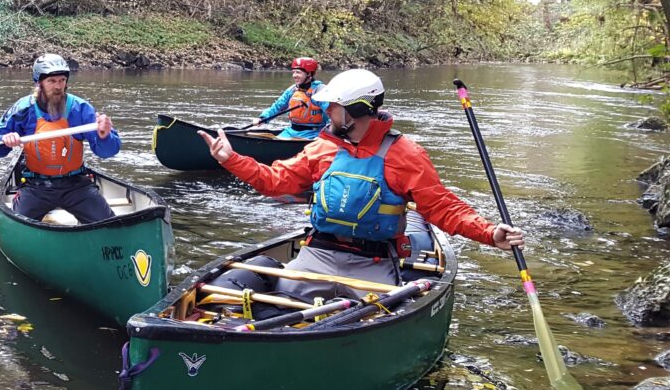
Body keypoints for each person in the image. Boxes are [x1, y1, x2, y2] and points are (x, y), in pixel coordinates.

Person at [200, 68, 525, 298]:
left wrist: (489, 233)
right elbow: (275, 181)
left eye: (333, 107)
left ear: (356, 111)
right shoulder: (322, 148)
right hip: (318, 253)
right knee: (276, 308)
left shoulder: (406, 155)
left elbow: (442, 208)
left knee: (379, 311)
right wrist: (231, 159)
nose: (326, 113)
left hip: (374, 262)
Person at [0, 53, 121, 223]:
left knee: (109, 223)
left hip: (76, 185)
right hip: (36, 186)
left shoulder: (80, 109)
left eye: (61, 81)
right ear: (39, 83)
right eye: (52, 81)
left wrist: (105, 136)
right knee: (18, 222)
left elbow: (108, 152)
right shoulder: (23, 109)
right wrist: (5, 141)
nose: (58, 87)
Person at [251, 57, 329, 139]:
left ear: (309, 74)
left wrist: (327, 135)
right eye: (293, 72)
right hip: (291, 131)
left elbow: (332, 114)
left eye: (298, 72)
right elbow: (277, 107)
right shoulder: (292, 90)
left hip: (314, 134)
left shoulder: (320, 91)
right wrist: (262, 118)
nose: (294, 75)